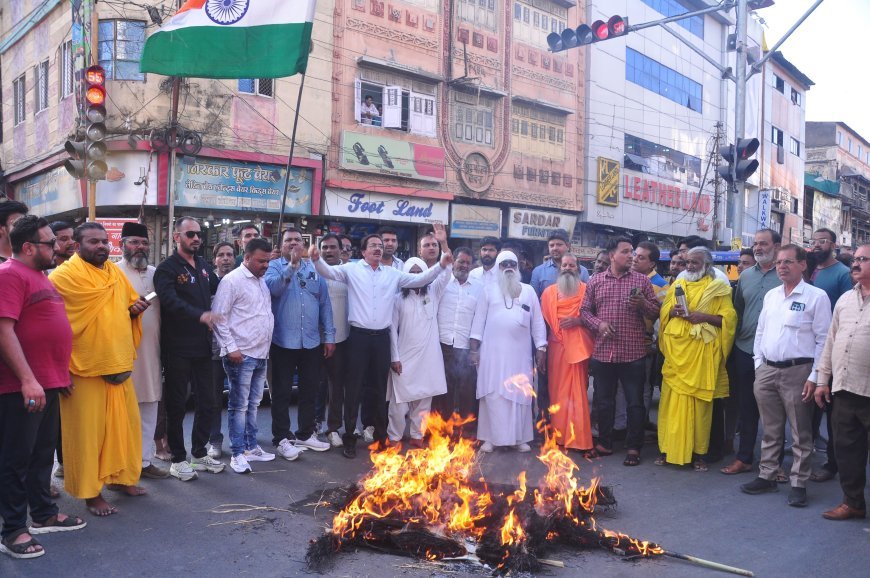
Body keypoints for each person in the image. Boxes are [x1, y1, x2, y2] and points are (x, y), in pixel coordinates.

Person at [308, 225, 453, 458]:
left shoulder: (393, 274)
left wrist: (442, 265)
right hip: (358, 337)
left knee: (378, 391)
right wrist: (316, 260)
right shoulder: (352, 270)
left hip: (382, 340)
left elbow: (421, 279)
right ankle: (349, 440)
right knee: (353, 390)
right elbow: (329, 273)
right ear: (363, 252)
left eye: (380, 245)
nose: (378, 248)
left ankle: (381, 437)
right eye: (373, 245)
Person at [50, 222, 148, 516]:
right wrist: (59, 371)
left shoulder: (114, 272)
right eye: (94, 242)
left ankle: (120, 479)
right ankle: (90, 494)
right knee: (87, 436)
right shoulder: (63, 277)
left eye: (105, 241)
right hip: (81, 368)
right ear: (77, 246)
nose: (102, 246)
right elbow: (54, 328)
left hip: (116, 362)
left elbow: (127, 303)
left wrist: (134, 310)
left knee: (124, 428)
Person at [0, 216, 83, 559]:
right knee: (15, 459)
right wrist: (28, 379)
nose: (58, 247)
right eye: (51, 243)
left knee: (41, 455)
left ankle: (44, 513)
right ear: (29, 246)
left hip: (48, 383)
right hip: (21, 387)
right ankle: (14, 530)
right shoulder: (9, 275)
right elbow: (4, 331)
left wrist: (58, 376)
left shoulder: (40, 277)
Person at [740, 245, 831, 508]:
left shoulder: (817, 297)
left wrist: (815, 376)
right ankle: (767, 475)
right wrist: (759, 364)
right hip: (767, 369)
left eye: (788, 262)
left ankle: (798, 483)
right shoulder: (771, 296)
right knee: (770, 429)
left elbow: (823, 340)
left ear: (803, 265)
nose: (781, 266)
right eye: (779, 262)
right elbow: (761, 331)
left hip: (798, 371)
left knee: (801, 432)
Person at [154, 217, 224, 481]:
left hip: (204, 348)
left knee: (208, 401)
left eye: (199, 235)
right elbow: (169, 301)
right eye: (190, 234)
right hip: (177, 348)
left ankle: (198, 452)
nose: (196, 238)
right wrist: (200, 315)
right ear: (177, 237)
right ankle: (178, 459)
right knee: (177, 406)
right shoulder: (167, 269)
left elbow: (223, 290)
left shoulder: (204, 267)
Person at [581, 237, 660, 466]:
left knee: (635, 402)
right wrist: (599, 325)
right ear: (612, 255)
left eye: (632, 252)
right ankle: (605, 443)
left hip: (633, 353)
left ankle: (634, 447)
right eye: (626, 252)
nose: (631, 256)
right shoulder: (596, 281)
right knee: (604, 400)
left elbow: (655, 311)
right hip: (604, 353)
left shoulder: (641, 281)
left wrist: (642, 304)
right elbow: (585, 312)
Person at [656, 247, 736, 470]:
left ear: (707, 265)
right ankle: (668, 450)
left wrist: (703, 317)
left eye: (695, 263)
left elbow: (728, 320)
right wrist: (672, 313)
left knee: (700, 409)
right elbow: (664, 312)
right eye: (687, 262)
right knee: (670, 405)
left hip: (701, 355)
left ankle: (700, 454)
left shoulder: (718, 287)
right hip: (675, 353)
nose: (689, 266)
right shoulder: (678, 284)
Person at [265, 228, 334, 459]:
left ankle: (305, 434)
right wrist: (291, 267)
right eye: (288, 241)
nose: (293, 243)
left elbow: (325, 303)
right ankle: (281, 438)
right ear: (281, 245)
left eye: (297, 240)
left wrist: (330, 336)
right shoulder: (274, 266)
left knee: (310, 391)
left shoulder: (314, 269)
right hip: (283, 341)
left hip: (312, 341)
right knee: (282, 392)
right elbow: (273, 288)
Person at [814, 243, 870, 520]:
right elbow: (831, 341)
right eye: (855, 259)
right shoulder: (846, 299)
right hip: (845, 389)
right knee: (847, 451)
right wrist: (823, 380)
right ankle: (853, 502)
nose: (856, 264)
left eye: (863, 259)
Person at [469, 251, 546, 453]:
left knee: (519, 393)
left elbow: (537, 322)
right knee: (493, 394)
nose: (509, 267)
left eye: (512, 263)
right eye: (504, 264)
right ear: (498, 267)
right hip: (492, 355)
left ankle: (519, 439)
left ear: (518, 266)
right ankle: (490, 438)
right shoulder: (488, 291)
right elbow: (478, 321)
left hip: (520, 356)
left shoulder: (528, 291)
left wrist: (541, 347)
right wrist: (474, 349)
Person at [720, 229, 782, 476]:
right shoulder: (745, 277)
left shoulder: (786, 275)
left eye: (763, 244)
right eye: (755, 244)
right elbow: (738, 312)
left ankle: (774, 464)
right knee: (746, 408)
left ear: (776, 246)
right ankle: (744, 457)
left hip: (775, 354)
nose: (757, 248)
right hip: (745, 349)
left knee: (776, 412)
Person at [212, 238, 276, 474]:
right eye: (261, 261)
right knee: (238, 406)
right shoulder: (232, 281)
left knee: (253, 403)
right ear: (246, 258)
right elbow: (218, 317)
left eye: (268, 261)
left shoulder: (261, 281)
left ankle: (251, 447)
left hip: (261, 352)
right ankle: (237, 453)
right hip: (242, 354)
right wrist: (231, 348)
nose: (265, 265)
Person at [117, 223, 167, 480]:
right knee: (122, 415)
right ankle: (121, 469)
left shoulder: (156, 273)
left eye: (144, 243)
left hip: (152, 353)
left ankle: (144, 462)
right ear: (121, 245)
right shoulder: (112, 273)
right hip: (122, 355)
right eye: (134, 242)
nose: (140, 247)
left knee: (149, 409)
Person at [807, 228, 854, 484]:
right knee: (811, 409)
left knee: (832, 414)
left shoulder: (843, 274)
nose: (816, 245)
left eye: (822, 241)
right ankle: (810, 450)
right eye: (813, 241)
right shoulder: (812, 271)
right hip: (812, 351)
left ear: (833, 245)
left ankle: (833, 464)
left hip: (834, 352)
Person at [388, 258, 451, 446]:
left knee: (423, 401)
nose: (416, 276)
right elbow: (391, 329)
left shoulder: (434, 292)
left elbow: (446, 272)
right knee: (398, 403)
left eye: (419, 272)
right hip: (404, 356)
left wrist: (443, 243)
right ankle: (394, 437)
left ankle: (417, 436)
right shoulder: (397, 299)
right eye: (412, 272)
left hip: (429, 357)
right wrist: (394, 357)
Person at [540, 254, 595, 453]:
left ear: (578, 269)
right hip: (556, 348)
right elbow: (543, 324)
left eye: (572, 265)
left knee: (578, 392)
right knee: (558, 393)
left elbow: (594, 317)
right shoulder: (548, 293)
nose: (568, 268)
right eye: (564, 265)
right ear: (559, 268)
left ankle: (579, 438)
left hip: (579, 347)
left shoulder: (587, 290)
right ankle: (560, 437)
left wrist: (578, 321)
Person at [434, 247, 482, 424]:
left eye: (468, 263)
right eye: (461, 261)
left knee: (466, 392)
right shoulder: (442, 282)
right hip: (442, 345)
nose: (464, 266)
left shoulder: (479, 288)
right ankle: (442, 430)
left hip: (466, 348)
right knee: (443, 391)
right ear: (454, 261)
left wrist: (474, 349)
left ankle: (465, 432)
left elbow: (479, 320)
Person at [631, 241, 669, 429]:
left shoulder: (661, 286)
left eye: (641, 257)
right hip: (625, 343)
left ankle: (641, 424)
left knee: (643, 388)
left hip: (647, 345)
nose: (635, 259)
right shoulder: (627, 278)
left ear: (652, 263)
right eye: (635, 255)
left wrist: (654, 343)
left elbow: (663, 318)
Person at [318, 235, 350, 448]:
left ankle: (333, 428)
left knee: (336, 386)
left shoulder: (349, 273)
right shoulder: (311, 270)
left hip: (341, 339)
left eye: (333, 247)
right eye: (325, 247)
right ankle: (313, 426)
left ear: (341, 250)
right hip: (314, 339)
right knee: (314, 386)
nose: (329, 251)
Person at [206, 241, 236, 459]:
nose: (226, 258)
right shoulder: (208, 281)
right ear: (215, 259)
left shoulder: (241, 279)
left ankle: (241, 441)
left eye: (229, 255)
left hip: (240, 347)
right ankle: (214, 441)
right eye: (221, 255)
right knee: (214, 399)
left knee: (240, 398)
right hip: (215, 348)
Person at [531, 230, 590, 298]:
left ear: (568, 246)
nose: (555, 248)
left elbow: (587, 298)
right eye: (551, 245)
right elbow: (534, 300)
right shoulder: (538, 271)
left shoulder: (582, 271)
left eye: (559, 245)